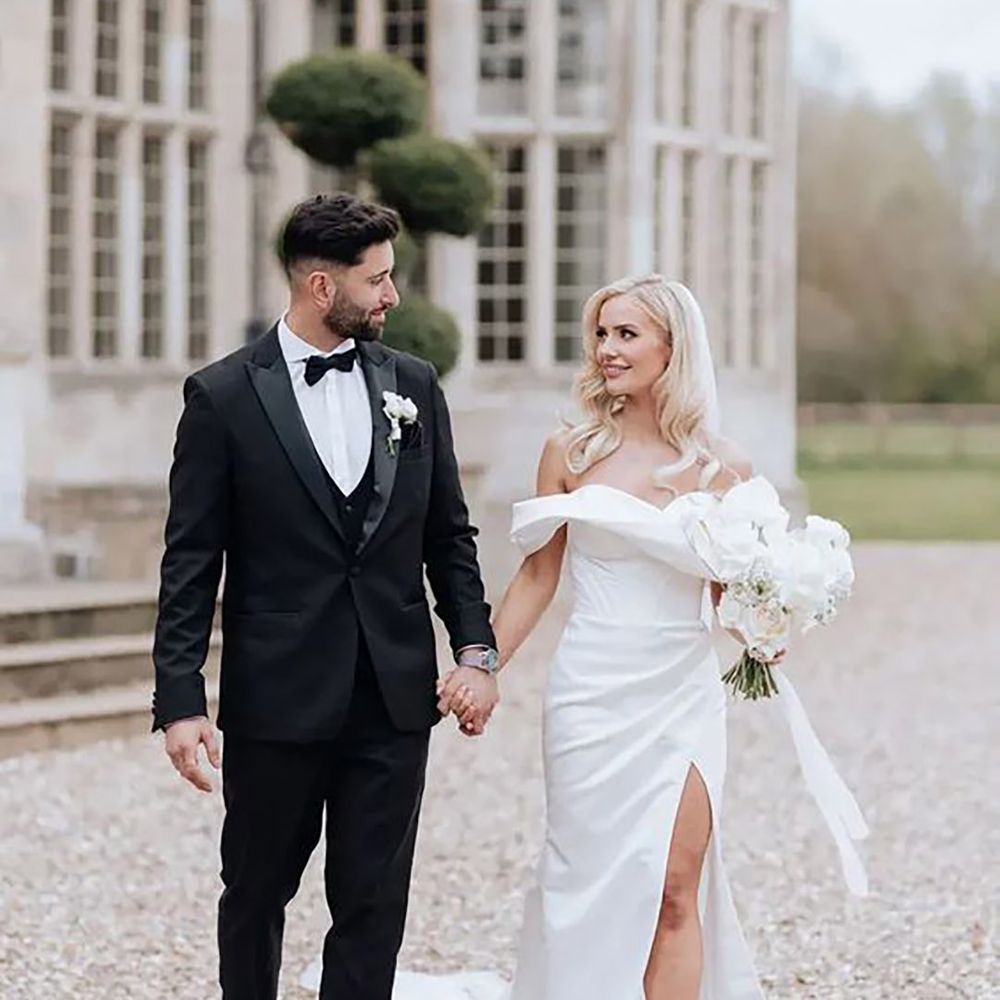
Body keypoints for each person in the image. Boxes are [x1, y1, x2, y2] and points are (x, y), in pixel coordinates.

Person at [436, 275, 867, 1000]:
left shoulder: (723, 466)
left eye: (627, 334)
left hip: (682, 693)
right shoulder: (569, 452)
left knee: (675, 885)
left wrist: (766, 622)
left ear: (673, 346)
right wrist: (484, 666)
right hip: (591, 692)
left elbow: (730, 587)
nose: (607, 349)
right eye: (601, 333)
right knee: (587, 881)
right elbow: (539, 578)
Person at [152, 192, 500, 1000]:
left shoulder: (414, 385)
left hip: (393, 697)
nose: (392, 297)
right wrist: (178, 701)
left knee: (374, 905)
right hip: (276, 699)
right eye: (377, 280)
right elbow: (190, 563)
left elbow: (449, 538)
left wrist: (476, 653)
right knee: (254, 895)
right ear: (319, 286)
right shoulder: (223, 398)